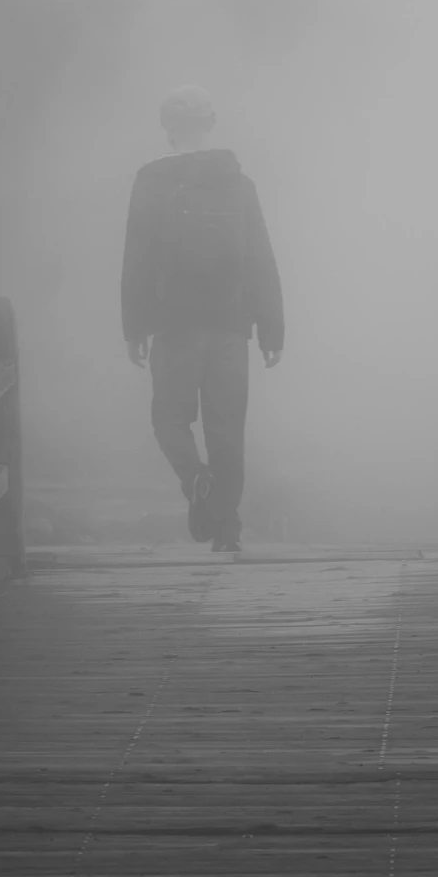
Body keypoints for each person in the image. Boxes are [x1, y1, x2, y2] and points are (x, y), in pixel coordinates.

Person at [121, 86, 283, 552]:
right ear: (210, 126)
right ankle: (227, 532)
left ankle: (195, 477)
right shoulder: (239, 183)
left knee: (169, 419)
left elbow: (137, 257)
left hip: (175, 326)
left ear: (168, 129)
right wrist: (272, 329)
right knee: (227, 428)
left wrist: (135, 328)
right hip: (232, 326)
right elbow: (260, 260)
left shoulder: (152, 181)